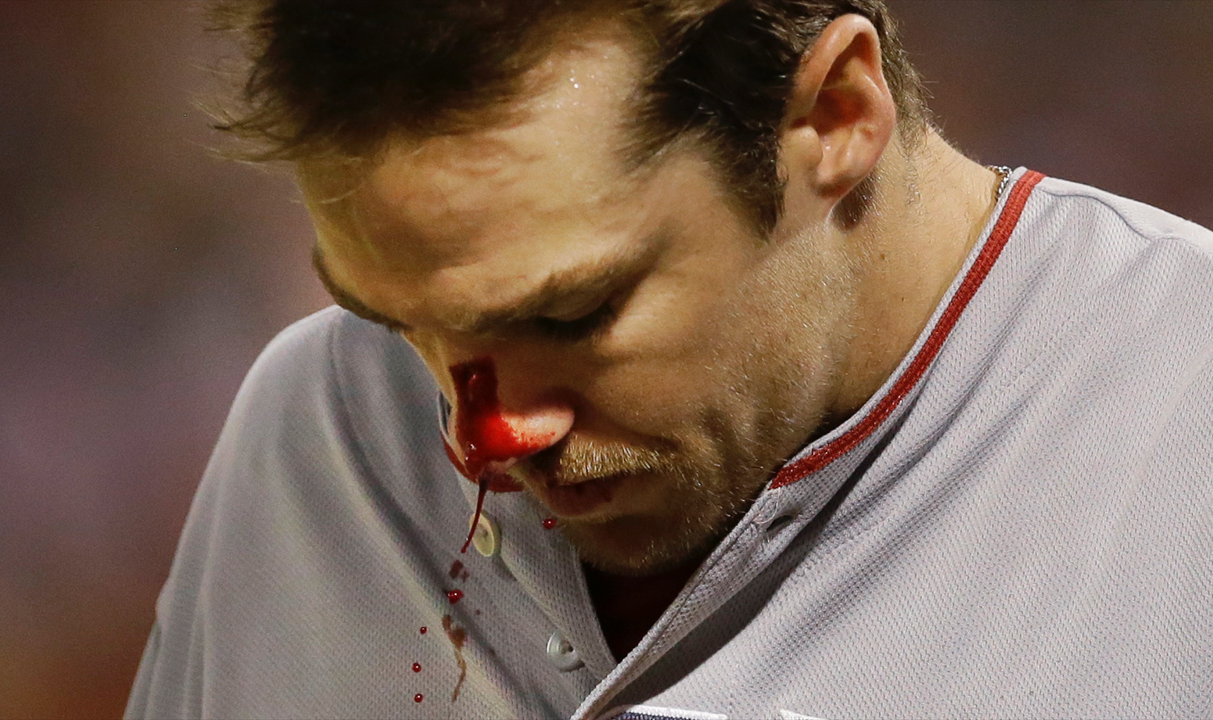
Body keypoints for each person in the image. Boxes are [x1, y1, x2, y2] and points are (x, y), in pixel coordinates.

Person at [126, 1, 1212, 718]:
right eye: (394, 320)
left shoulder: (1185, 420)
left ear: (835, 114)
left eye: (572, 313)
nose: (479, 441)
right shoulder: (313, 425)